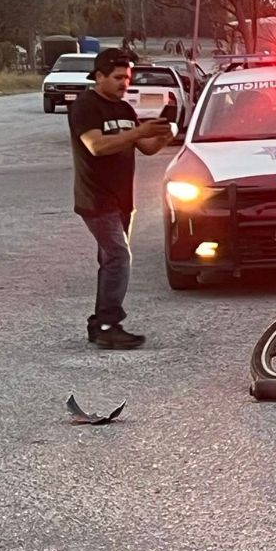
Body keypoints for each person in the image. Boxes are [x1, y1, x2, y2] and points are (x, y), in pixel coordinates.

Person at [68, 48, 174, 349]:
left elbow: (148, 147)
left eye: (128, 77)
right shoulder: (86, 106)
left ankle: (99, 324)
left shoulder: (125, 110)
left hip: (123, 199)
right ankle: (107, 324)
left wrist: (164, 132)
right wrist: (138, 131)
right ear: (99, 76)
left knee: (110, 260)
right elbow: (96, 146)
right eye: (117, 77)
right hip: (95, 198)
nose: (124, 83)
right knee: (118, 257)